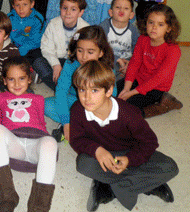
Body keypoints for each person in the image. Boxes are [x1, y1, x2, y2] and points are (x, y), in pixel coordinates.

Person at [70, 61, 178, 211]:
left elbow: (150, 142)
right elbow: (77, 139)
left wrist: (129, 159)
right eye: (82, 90)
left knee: (170, 167)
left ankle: (107, 188)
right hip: (102, 155)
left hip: (130, 152)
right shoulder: (77, 110)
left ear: (109, 91)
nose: (87, 97)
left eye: (94, 90)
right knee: (83, 164)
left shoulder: (129, 114)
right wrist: (97, 150)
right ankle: (147, 185)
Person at [0, 56, 57, 212]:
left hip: (36, 147)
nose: (17, 84)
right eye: (11, 79)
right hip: (15, 146)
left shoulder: (38, 99)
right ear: (4, 81)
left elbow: (42, 123)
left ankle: (39, 207)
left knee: (50, 141)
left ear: (29, 79)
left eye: (21, 78)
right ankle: (7, 197)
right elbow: (0, 119)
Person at [45, 25, 114, 142]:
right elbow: (61, 92)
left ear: (101, 53)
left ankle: (81, 127)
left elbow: (111, 98)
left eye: (90, 52)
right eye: (80, 50)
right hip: (75, 102)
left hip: (96, 105)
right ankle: (79, 126)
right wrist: (66, 122)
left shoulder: (106, 68)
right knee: (46, 105)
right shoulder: (71, 64)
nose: (84, 56)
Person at [117, 4, 182, 118]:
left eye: (160, 24)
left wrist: (131, 93)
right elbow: (134, 64)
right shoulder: (143, 39)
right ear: (145, 23)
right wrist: (126, 88)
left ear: (169, 28)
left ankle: (163, 105)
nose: (154, 27)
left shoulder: (173, 50)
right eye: (151, 22)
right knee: (110, 91)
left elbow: (158, 79)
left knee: (126, 111)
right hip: (139, 79)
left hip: (156, 88)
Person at [40, 0, 89, 90]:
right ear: (60, 8)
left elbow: (86, 53)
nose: (68, 13)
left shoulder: (85, 28)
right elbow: (46, 48)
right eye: (65, 8)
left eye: (73, 9)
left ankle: (66, 87)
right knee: (38, 63)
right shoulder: (53, 24)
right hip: (57, 59)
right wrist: (55, 64)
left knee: (85, 71)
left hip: (74, 62)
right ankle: (64, 87)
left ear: (81, 12)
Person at [7, 0, 50, 87]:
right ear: (13, 6)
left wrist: (20, 52)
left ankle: (55, 86)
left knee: (41, 66)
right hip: (14, 48)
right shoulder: (9, 18)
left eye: (25, 4)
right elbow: (7, 36)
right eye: (17, 5)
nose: (21, 9)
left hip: (33, 48)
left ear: (32, 4)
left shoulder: (38, 18)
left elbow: (36, 40)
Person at [99, 0, 139, 78]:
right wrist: (117, 59)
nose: (121, 10)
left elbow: (137, 50)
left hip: (126, 64)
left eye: (126, 8)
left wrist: (130, 64)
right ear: (111, 12)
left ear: (131, 15)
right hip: (107, 61)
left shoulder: (133, 30)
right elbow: (100, 48)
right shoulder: (104, 27)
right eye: (118, 7)